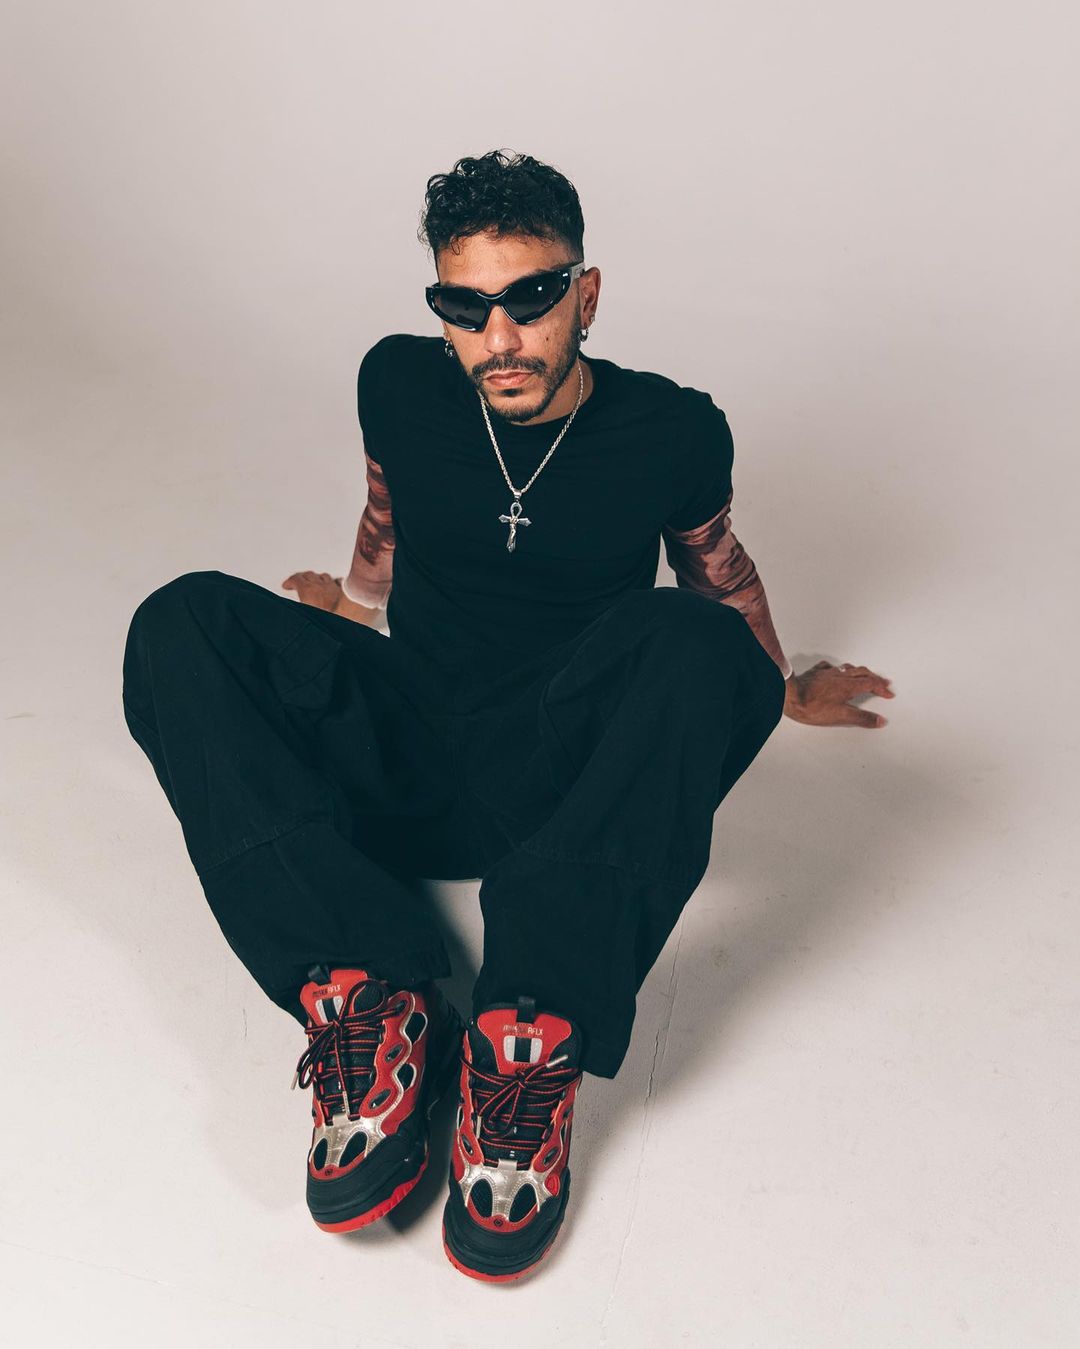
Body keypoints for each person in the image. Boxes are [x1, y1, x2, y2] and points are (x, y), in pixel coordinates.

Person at [122, 149, 894, 1283]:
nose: (501, 338)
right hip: (412, 744)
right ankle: (372, 997)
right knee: (180, 620)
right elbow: (385, 510)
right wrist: (354, 606)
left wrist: (778, 683)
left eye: (531, 298)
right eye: (465, 307)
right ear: (439, 308)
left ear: (586, 294)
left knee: (695, 641)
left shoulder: (671, 430)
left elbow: (716, 573)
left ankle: (527, 1033)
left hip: (565, 774)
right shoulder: (395, 381)